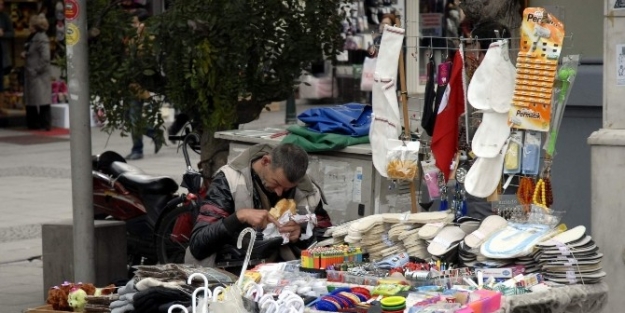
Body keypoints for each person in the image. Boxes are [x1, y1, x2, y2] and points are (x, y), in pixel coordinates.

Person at [185, 143, 332, 266]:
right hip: (232, 273)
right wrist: (239, 217)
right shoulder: (229, 181)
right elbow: (198, 244)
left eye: (287, 188)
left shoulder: (308, 190)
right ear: (265, 161)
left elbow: (329, 242)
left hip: (286, 276)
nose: (280, 193)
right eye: (276, 183)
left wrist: (302, 233)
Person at [125, 10, 162, 160]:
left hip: (138, 85)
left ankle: (137, 149)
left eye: (136, 22)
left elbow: (144, 60)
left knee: (134, 118)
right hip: (129, 83)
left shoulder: (149, 39)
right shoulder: (133, 38)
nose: (134, 26)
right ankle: (154, 133)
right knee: (127, 118)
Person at [23, 14, 51, 130]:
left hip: (38, 74)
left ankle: (44, 123)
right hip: (32, 73)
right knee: (32, 100)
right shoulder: (32, 37)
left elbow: (45, 57)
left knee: (42, 99)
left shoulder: (41, 38)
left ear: (35, 26)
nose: (28, 27)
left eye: (30, 24)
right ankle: (33, 123)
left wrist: (36, 70)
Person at [0, 0, 14, 107]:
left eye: (2, 4)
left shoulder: (5, 17)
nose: (1, 6)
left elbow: (12, 34)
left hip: (1, 53)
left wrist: (3, 33)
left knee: (1, 82)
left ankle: (1, 106)